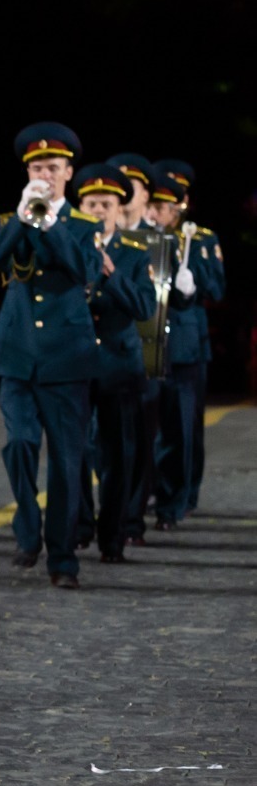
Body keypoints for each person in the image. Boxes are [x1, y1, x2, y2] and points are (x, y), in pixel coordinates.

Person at [0, 122, 100, 589]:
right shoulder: (8, 219)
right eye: (35, 168)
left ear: (68, 173)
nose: (43, 176)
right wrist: (21, 219)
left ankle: (62, 559)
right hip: (17, 355)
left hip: (66, 358)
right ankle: (28, 528)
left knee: (67, 463)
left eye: (51, 168)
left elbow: (85, 270)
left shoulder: (84, 225)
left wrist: (50, 225)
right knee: (20, 444)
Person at [71, 163, 154, 562]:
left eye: (107, 204)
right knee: (74, 450)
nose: (99, 210)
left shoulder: (135, 254)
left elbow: (144, 307)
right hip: (76, 361)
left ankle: (113, 536)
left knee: (117, 454)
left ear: (120, 209)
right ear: (80, 208)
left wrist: (112, 272)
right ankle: (79, 527)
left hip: (119, 366)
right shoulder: (69, 248)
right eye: (92, 204)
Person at [145, 166, 220, 530]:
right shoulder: (140, 237)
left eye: (164, 206)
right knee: (148, 424)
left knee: (184, 427)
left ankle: (180, 496)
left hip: (186, 344)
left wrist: (191, 278)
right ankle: (151, 490)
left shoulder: (199, 239)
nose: (157, 213)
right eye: (153, 204)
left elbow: (217, 289)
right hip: (147, 339)